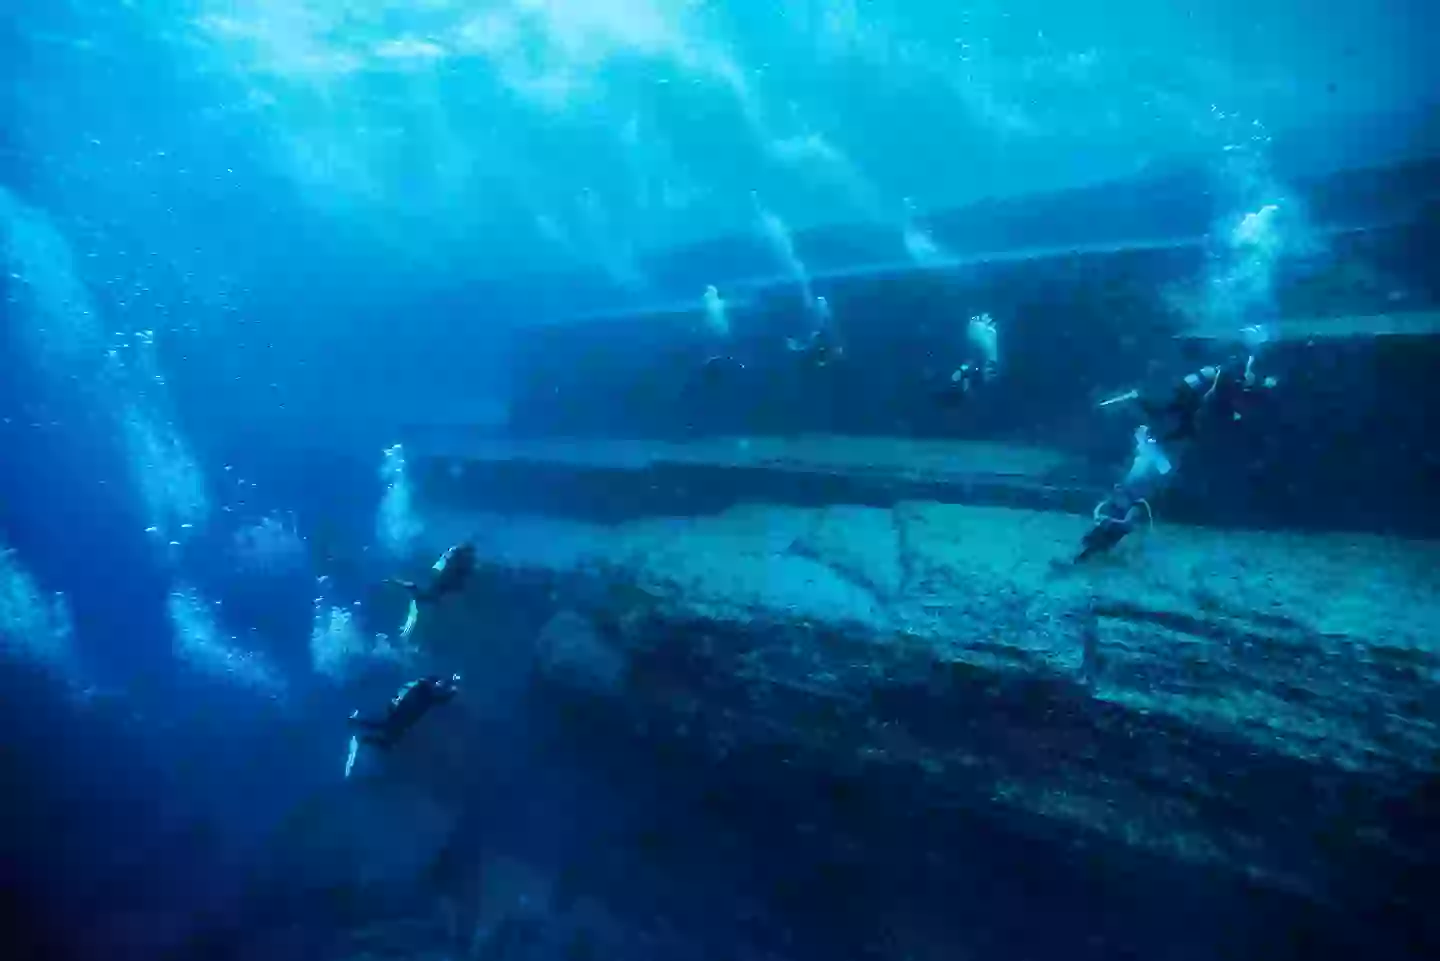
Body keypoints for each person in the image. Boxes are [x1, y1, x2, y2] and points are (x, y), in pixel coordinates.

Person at [1076, 351, 1276, 563]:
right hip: (1161, 447)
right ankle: (1103, 536)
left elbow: (1175, 409)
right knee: (1138, 490)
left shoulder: (1209, 386)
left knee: (1137, 491)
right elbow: (1191, 410)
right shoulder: (1218, 385)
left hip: (1160, 444)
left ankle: (1103, 537)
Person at [345, 673, 461, 778]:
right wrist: (452, 691)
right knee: (385, 728)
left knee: (388, 741)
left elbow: (438, 699)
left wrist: (451, 689)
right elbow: (437, 698)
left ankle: (362, 734)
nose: (438, 686)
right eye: (437, 684)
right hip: (401, 714)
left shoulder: (423, 690)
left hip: (402, 716)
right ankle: (359, 731)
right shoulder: (423, 689)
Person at [389, 541, 476, 639]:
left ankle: (404, 586)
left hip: (444, 585)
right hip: (443, 584)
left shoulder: (457, 557)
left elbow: (443, 567)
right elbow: (442, 569)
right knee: (422, 599)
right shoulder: (458, 557)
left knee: (423, 599)